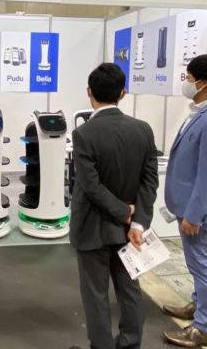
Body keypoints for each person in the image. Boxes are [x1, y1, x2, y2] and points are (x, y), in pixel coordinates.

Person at [69, 63, 159, 349]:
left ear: (89, 91)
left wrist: (124, 212)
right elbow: (150, 181)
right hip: (128, 230)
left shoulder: (85, 133)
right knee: (130, 289)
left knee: (95, 294)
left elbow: (91, 186)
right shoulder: (143, 130)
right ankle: (130, 344)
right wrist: (136, 221)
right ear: (123, 92)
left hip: (92, 227)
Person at [162, 54, 207, 347]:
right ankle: (198, 305)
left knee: (203, 268)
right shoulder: (202, 112)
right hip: (189, 206)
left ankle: (204, 328)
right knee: (196, 265)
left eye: (189, 77)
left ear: (203, 83)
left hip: (200, 212)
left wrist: (194, 214)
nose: (186, 81)